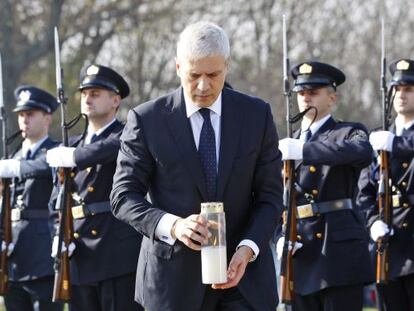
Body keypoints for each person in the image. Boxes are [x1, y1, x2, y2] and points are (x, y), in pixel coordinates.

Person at [110, 21, 283, 311]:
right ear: (178, 67)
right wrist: (174, 226)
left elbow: (270, 196)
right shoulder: (147, 120)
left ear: (227, 66)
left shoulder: (256, 115)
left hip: (244, 281)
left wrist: (248, 248)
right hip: (172, 284)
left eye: (213, 74)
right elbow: (123, 196)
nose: (203, 85)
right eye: (194, 75)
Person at [277, 61, 374, 311]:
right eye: (301, 93)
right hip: (300, 249)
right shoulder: (289, 143)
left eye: (313, 92)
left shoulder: (348, 132)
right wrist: (280, 234)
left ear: (332, 98)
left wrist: (305, 150)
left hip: (336, 252)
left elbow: (362, 151)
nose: (306, 98)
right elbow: (276, 196)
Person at [46, 64, 143, 311]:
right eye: (85, 93)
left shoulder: (126, 134)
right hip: (78, 252)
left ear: (115, 100)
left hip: (114, 252)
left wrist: (74, 157)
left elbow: (108, 149)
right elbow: (56, 200)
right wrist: (58, 234)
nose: (87, 98)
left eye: (96, 93)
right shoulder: (73, 145)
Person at [357, 58, 414, 311]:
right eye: (397, 89)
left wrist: (395, 146)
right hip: (387, 246)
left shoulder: (389, 141)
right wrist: (372, 222)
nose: (401, 95)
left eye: (409, 89)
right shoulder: (381, 137)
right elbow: (364, 191)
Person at [0, 86, 63, 311]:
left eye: (30, 114)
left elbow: (45, 165)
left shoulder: (56, 150)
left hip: (42, 256)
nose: (24, 120)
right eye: (21, 115)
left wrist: (14, 167)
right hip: (14, 257)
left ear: (47, 117)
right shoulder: (13, 157)